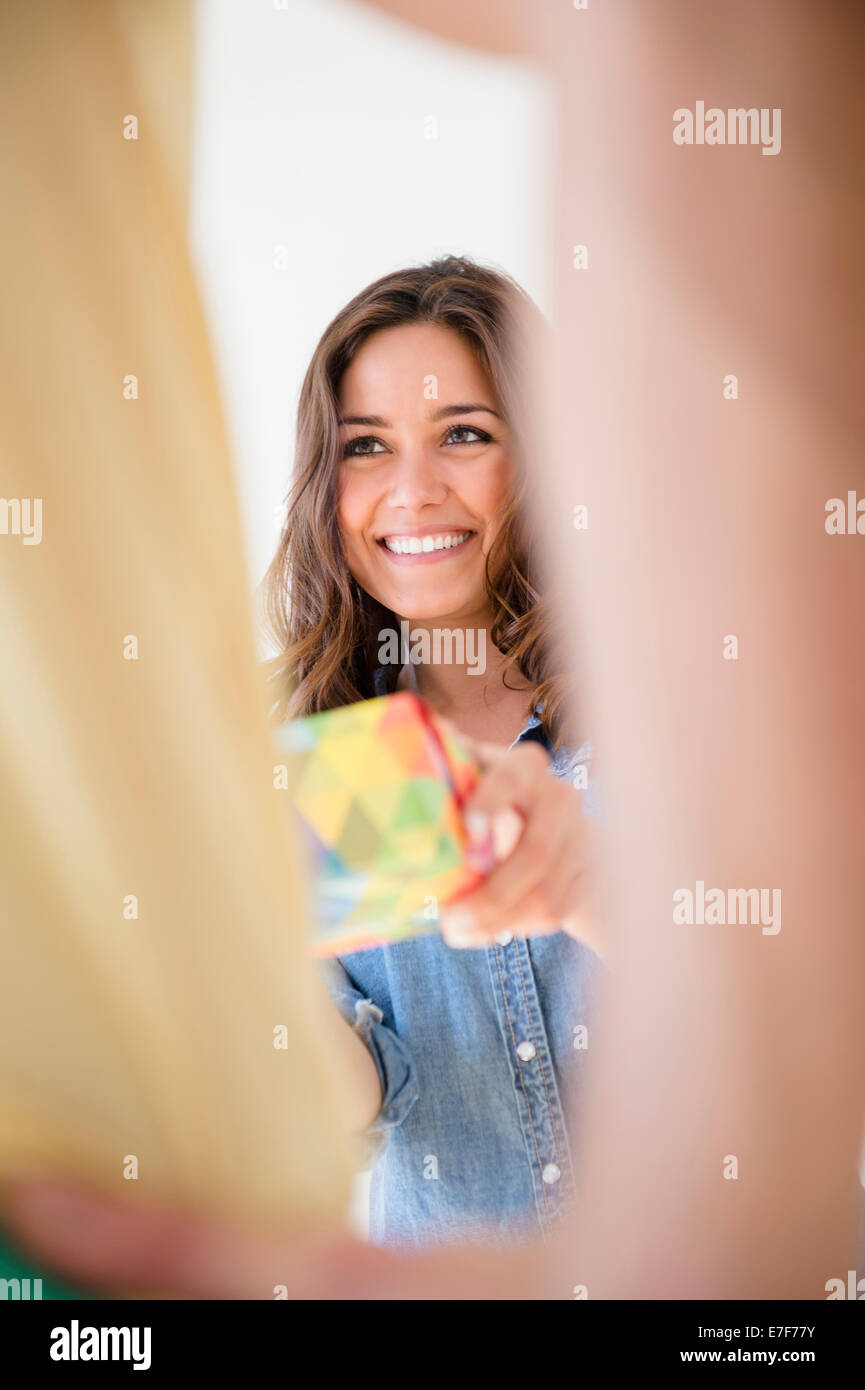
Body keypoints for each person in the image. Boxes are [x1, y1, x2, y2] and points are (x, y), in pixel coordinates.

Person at [262, 254, 603, 1249]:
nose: (411, 492)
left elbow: (786, 1017)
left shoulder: (668, 714)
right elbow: (364, 1102)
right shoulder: (322, 767)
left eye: (462, 434)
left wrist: (583, 878)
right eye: (366, 446)